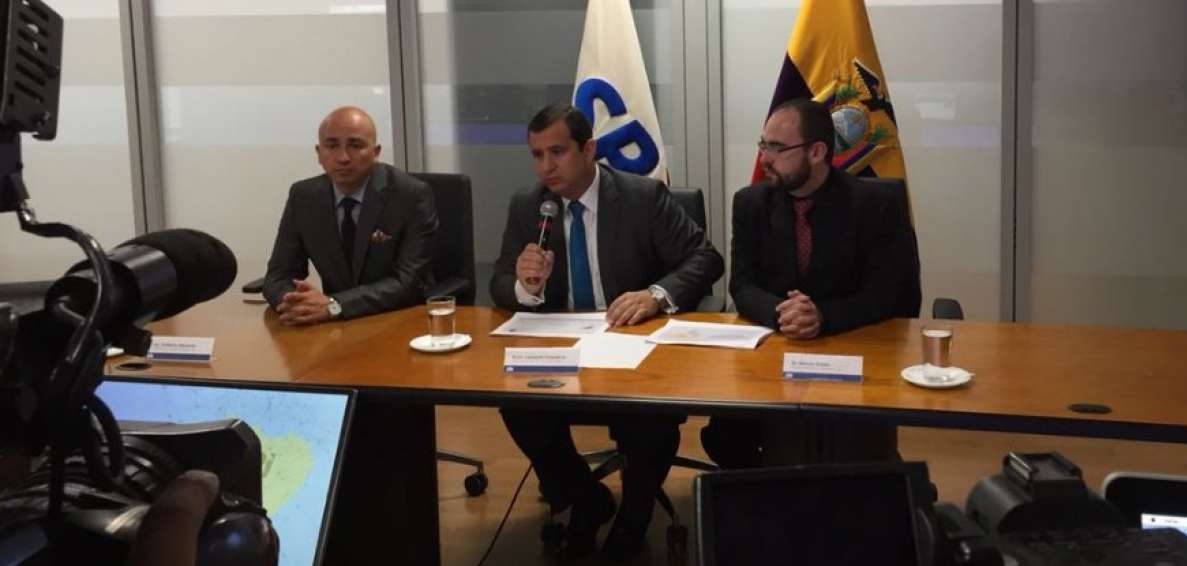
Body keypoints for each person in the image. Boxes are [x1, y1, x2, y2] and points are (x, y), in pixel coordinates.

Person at [491, 104, 723, 561]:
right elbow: (499, 282)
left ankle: (634, 520)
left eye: (557, 152)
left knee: (649, 419)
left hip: (635, 348)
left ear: (589, 149)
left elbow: (705, 258)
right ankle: (587, 498)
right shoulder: (529, 205)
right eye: (537, 155)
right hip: (563, 351)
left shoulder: (642, 197)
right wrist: (525, 286)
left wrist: (656, 295)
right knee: (517, 406)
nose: (546, 167)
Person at [702, 98, 921, 468]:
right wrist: (785, 313)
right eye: (763, 144)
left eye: (777, 148)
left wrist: (822, 316)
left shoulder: (873, 204)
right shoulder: (751, 203)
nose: (764, 158)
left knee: (850, 450)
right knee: (725, 438)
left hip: (852, 349)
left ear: (817, 152)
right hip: (776, 350)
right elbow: (742, 285)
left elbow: (891, 295)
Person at [263, 106, 437, 325]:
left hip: (397, 320)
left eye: (355, 146)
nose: (343, 157)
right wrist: (295, 303)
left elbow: (409, 282)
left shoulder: (410, 195)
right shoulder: (303, 197)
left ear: (375, 152)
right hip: (333, 327)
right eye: (332, 146)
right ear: (319, 153)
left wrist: (335, 306)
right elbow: (278, 276)